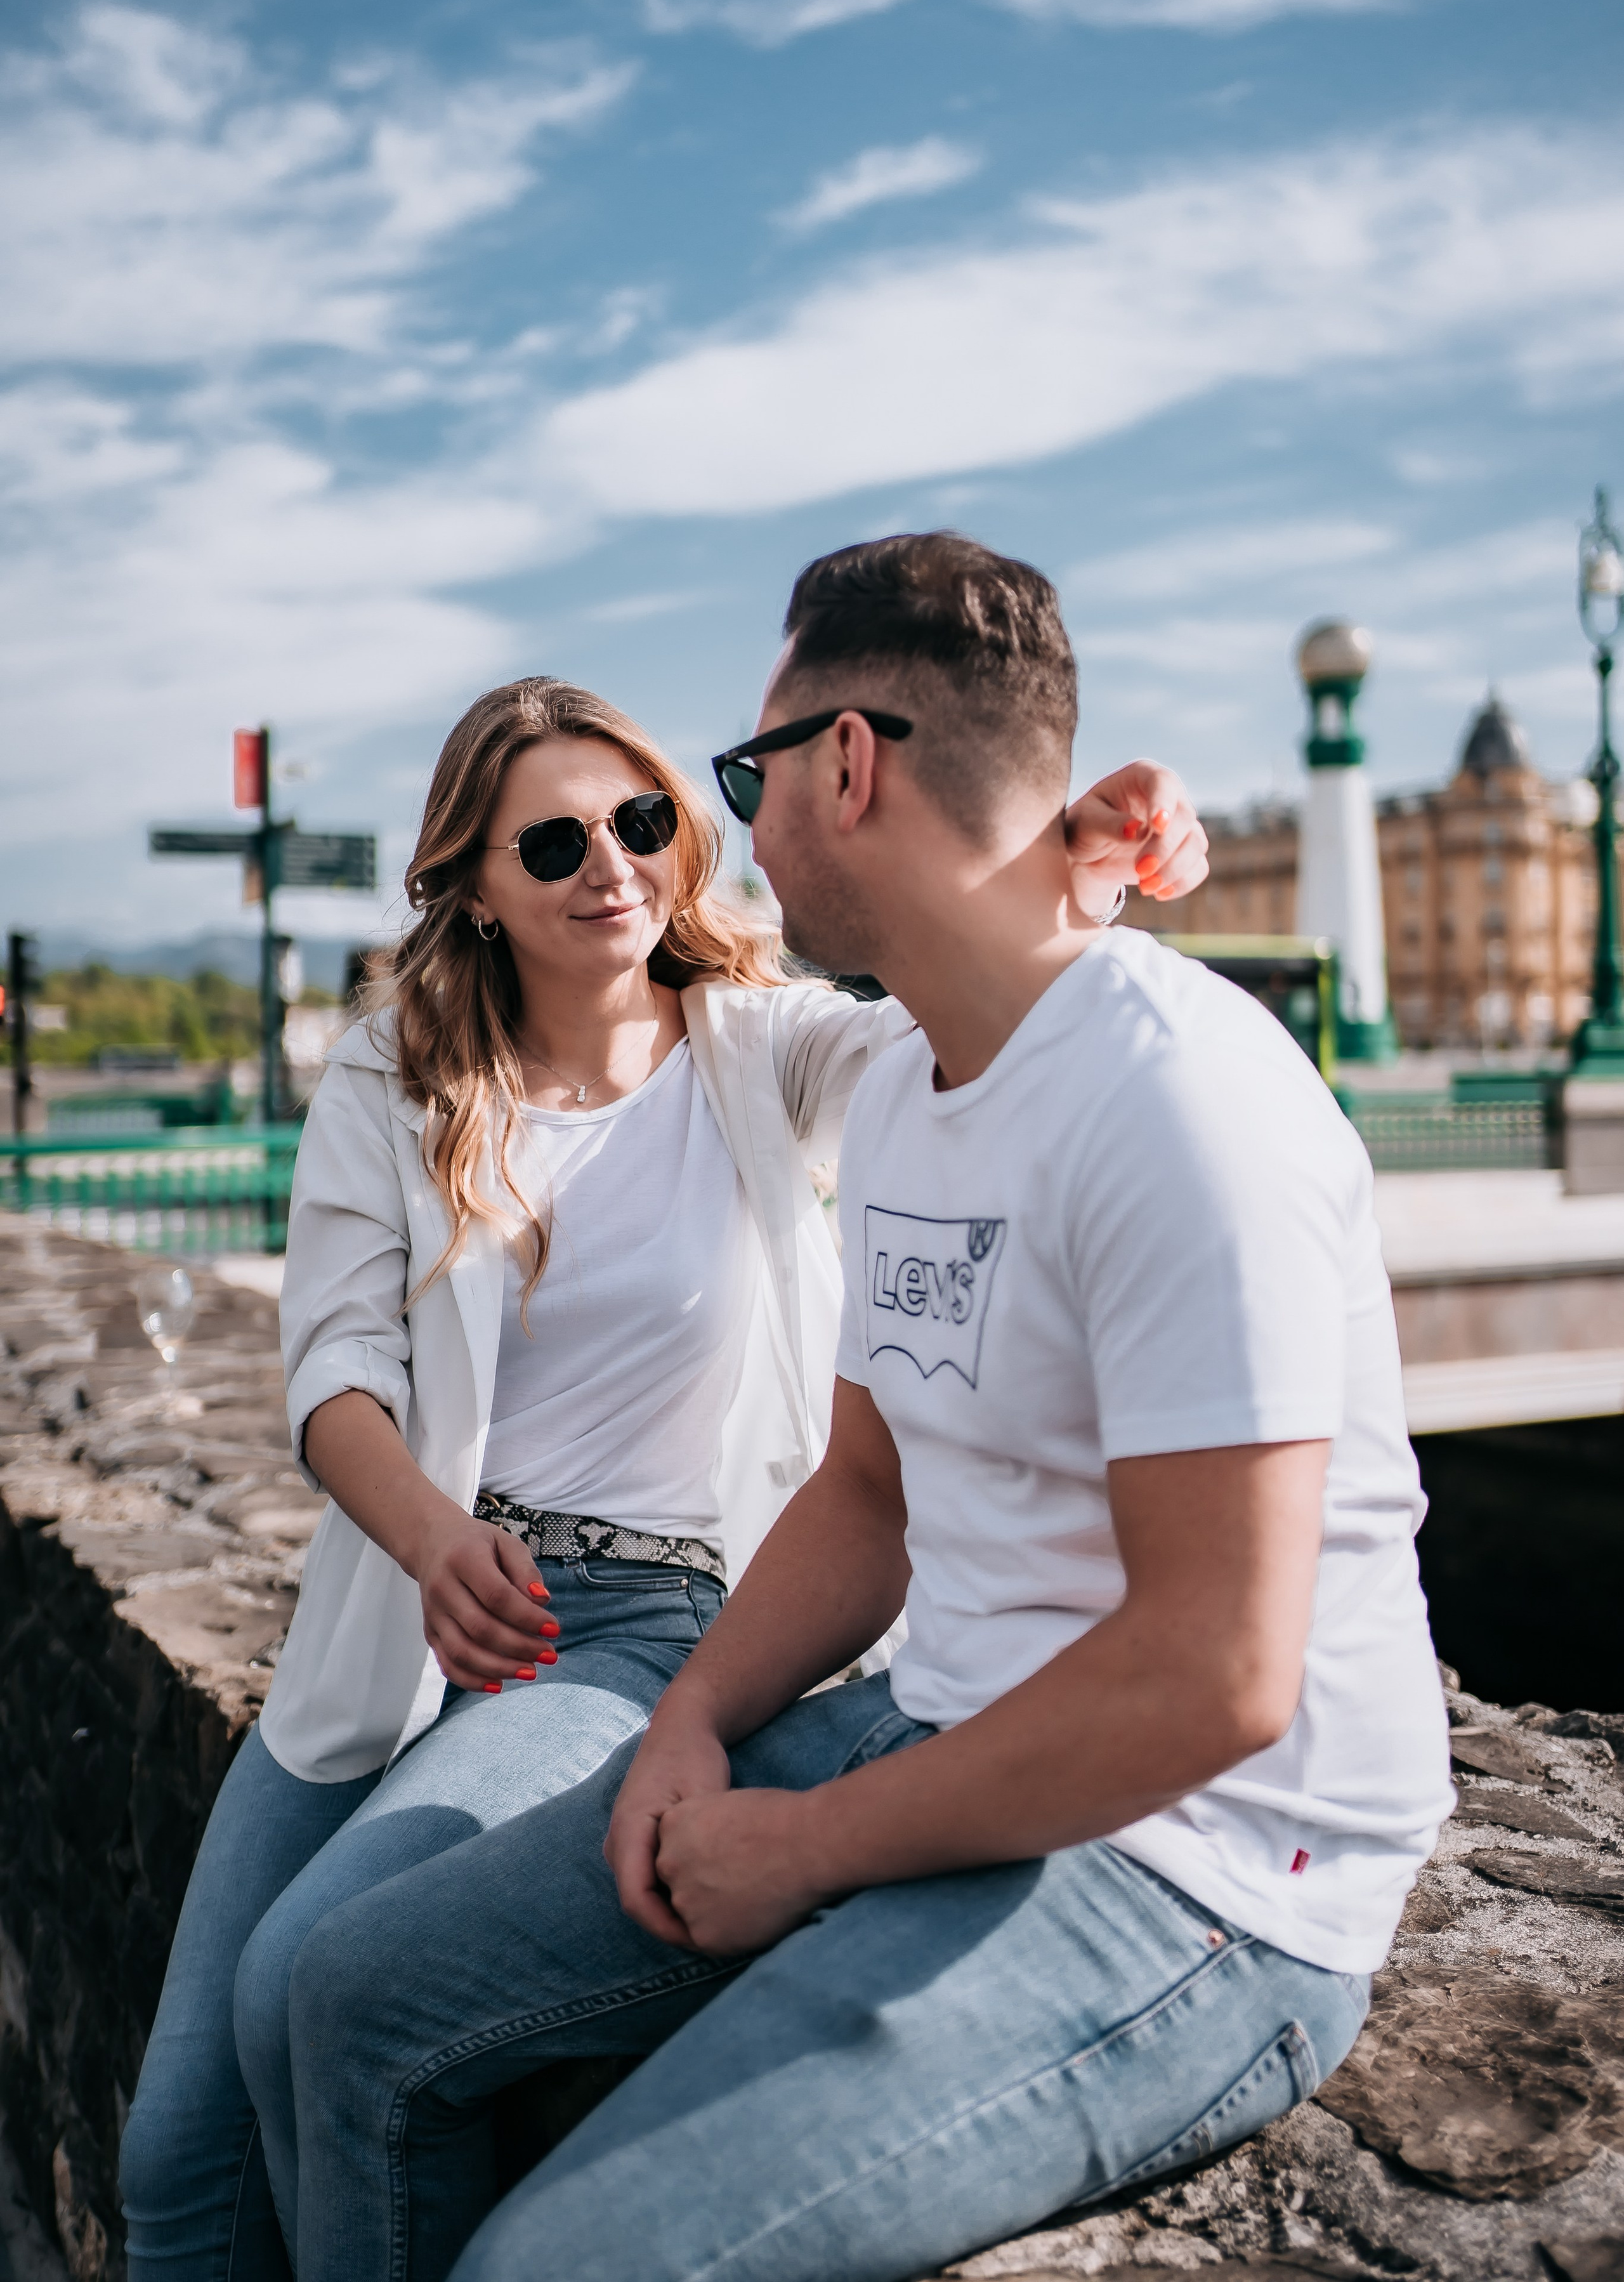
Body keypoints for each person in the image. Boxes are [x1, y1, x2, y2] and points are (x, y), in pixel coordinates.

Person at [233, 533, 1453, 2282]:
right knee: (351, 1999)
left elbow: (1218, 1678)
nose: (723, 836)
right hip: (935, 1726)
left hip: (1207, 1877)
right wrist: (694, 1722)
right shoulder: (910, 1093)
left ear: (851, 765)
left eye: (738, 779)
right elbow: (870, 1496)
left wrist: (803, 1847)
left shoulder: (1186, 1108)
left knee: (553, 2266)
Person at [117, 667, 1207, 2282]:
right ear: (470, 889)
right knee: (170, 2155)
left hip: (634, 1625)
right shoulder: (387, 1075)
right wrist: (427, 1544)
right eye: (551, 846)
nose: (610, 866)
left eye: (640, 822)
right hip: (413, 1608)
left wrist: (1079, 860)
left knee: (313, 1981)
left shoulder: (768, 1053)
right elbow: (337, 1370)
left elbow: (978, 1012)